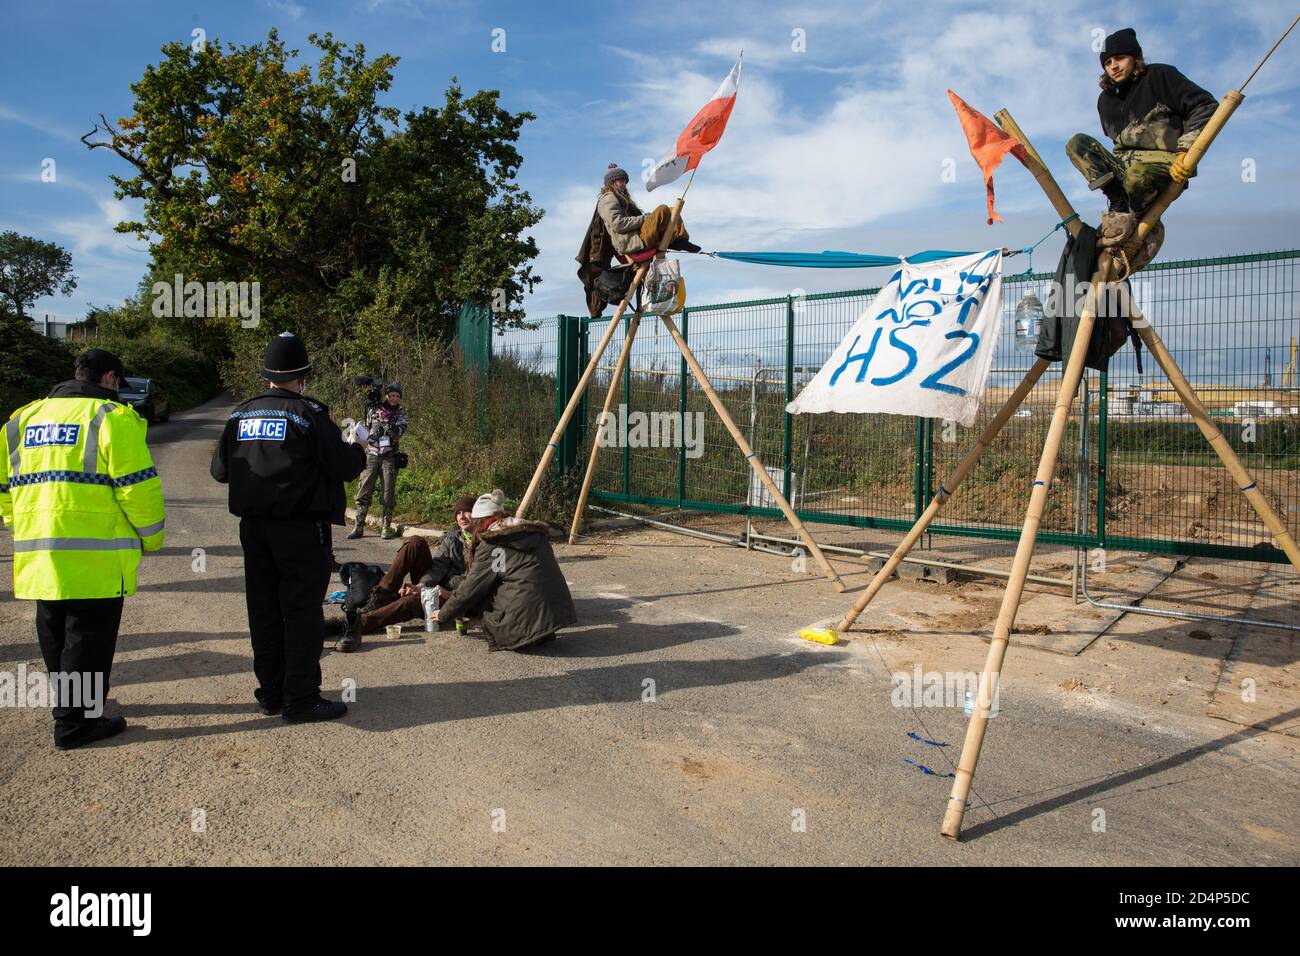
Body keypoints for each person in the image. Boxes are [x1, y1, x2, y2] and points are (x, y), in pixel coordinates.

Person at [0, 348, 166, 749]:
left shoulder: (21, 419)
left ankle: (77, 705)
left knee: (55, 629)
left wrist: (19, 523)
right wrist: (152, 536)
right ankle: (74, 724)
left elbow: (5, 489)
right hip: (97, 553)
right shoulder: (112, 418)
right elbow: (137, 488)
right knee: (87, 636)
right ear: (109, 379)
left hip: (39, 549)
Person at [210, 332, 367, 723]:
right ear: (303, 375)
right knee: (300, 612)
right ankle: (301, 698)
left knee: (263, 610)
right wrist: (358, 448)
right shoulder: (309, 414)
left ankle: (271, 693)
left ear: (266, 374)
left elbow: (219, 471)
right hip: (300, 529)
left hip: (254, 529)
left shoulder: (239, 414)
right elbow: (344, 467)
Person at [1065, 27, 1216, 254]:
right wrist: (1115, 186)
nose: (1114, 66)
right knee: (1076, 144)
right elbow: (1114, 141)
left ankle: (1137, 216)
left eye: (1120, 58)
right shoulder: (1105, 101)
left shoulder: (1160, 76)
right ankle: (1119, 202)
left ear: (1136, 58)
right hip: (1125, 165)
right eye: (1107, 62)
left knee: (1137, 176)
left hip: (1165, 163)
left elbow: (1205, 106)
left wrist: (1185, 150)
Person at [328, 493, 478, 651]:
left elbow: (477, 582)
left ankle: (355, 624)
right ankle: (381, 596)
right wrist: (421, 585)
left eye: (467, 511)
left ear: (478, 514)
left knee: (411, 601)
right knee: (415, 542)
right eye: (458, 513)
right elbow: (438, 566)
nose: (461, 516)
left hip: (458, 598)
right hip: (438, 589)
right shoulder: (454, 537)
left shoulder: (485, 542)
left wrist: (444, 593)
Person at [435, 490, 577, 652]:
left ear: (481, 521)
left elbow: (472, 587)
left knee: (487, 589)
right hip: (557, 612)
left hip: (522, 617)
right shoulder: (534, 534)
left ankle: (520, 631)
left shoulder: (493, 542)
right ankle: (539, 629)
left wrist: (443, 614)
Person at [595, 163, 700, 262]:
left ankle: (680, 241)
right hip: (632, 242)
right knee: (662, 209)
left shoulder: (622, 198)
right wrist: (645, 218)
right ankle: (675, 241)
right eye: (620, 181)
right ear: (612, 183)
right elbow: (618, 224)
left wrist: (647, 218)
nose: (624, 184)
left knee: (672, 210)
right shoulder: (608, 199)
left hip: (638, 235)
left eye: (624, 181)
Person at [348, 382, 407, 540]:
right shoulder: (374, 410)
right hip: (372, 454)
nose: (394, 399)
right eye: (391, 395)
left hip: (389, 456)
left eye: (397, 396)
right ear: (386, 396)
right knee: (364, 489)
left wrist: (386, 421)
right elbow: (366, 427)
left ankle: (385, 528)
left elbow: (397, 434)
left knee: (388, 492)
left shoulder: (401, 414)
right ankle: (359, 526)